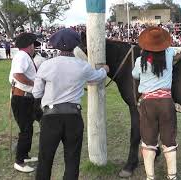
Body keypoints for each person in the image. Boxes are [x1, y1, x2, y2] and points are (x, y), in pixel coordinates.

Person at [32, 28, 109, 180]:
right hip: (73, 117)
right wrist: (104, 70)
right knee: (72, 160)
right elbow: (97, 77)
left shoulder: (47, 65)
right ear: (75, 45)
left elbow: (36, 93)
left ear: (56, 46)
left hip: (51, 117)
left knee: (45, 159)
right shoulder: (82, 65)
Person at [132, 27, 178, 180]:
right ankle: (172, 176)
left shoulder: (140, 61)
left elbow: (134, 74)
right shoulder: (169, 54)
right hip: (166, 102)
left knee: (148, 140)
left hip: (148, 103)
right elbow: (176, 51)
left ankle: (150, 177)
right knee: (169, 139)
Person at [8, 33, 41, 172]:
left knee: (29, 127)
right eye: (34, 44)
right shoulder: (22, 56)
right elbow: (18, 75)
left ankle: (25, 155)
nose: (35, 48)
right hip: (22, 98)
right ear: (29, 45)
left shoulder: (24, 56)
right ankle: (19, 161)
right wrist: (35, 83)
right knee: (25, 130)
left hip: (26, 98)